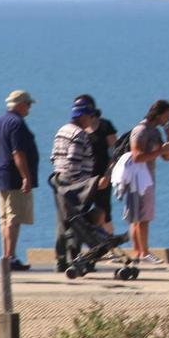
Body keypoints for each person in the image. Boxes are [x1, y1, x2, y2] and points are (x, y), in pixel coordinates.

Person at [0, 90, 38, 271]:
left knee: (4, 218)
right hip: (13, 175)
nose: (29, 108)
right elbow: (18, 152)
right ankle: (10, 257)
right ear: (20, 104)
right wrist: (26, 176)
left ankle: (7, 254)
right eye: (28, 104)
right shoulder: (17, 123)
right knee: (14, 218)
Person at [50, 100, 98, 273]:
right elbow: (73, 161)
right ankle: (75, 259)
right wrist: (80, 184)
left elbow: (53, 157)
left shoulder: (62, 130)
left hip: (58, 179)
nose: (92, 119)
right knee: (76, 221)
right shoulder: (79, 134)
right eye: (90, 116)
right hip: (73, 183)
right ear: (83, 116)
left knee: (62, 221)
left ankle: (61, 259)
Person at [124, 100, 169, 265]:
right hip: (138, 178)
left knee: (140, 217)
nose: (168, 118)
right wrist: (160, 150)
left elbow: (167, 157)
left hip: (147, 179)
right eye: (167, 114)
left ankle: (139, 252)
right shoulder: (141, 130)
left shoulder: (155, 132)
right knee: (141, 218)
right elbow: (137, 156)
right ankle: (143, 252)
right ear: (159, 114)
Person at [74, 94, 118, 231]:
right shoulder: (78, 129)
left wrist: (108, 175)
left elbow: (114, 152)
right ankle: (92, 246)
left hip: (102, 176)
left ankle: (109, 247)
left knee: (104, 211)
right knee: (82, 212)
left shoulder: (105, 126)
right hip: (84, 178)